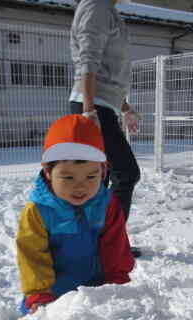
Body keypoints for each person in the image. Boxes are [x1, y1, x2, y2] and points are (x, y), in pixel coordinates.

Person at [16, 114, 135, 314]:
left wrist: (117, 286)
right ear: (48, 172)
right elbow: (32, 257)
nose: (80, 186)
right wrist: (39, 296)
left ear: (103, 171)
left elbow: (116, 248)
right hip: (52, 293)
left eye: (91, 176)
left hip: (96, 288)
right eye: (68, 177)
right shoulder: (38, 211)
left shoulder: (107, 205)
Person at [69, 0, 141, 255]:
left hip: (101, 104)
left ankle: (96, 242)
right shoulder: (97, 6)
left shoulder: (108, 10)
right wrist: (90, 112)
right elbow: (88, 61)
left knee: (102, 178)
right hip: (93, 106)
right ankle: (109, 245)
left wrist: (123, 107)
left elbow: (109, 74)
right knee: (126, 173)